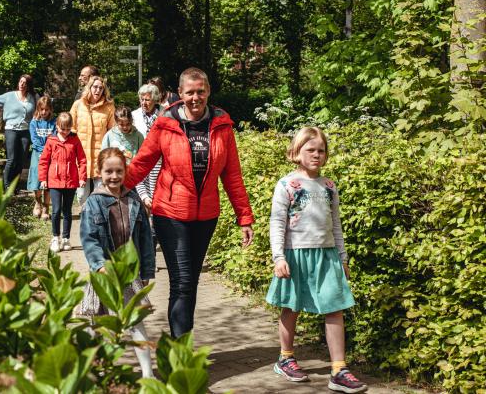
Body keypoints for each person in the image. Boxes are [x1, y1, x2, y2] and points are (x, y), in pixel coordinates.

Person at [124, 67, 254, 337]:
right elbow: (142, 163)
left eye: (201, 91)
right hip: (170, 213)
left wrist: (244, 217)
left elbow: (232, 176)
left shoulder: (222, 126)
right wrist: (113, 188)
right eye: (190, 92)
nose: (196, 97)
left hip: (206, 216)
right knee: (181, 282)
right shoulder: (165, 124)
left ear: (208, 91)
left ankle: (181, 344)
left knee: (191, 282)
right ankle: (180, 349)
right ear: (179, 93)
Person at [266, 127, 366, 393]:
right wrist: (279, 257)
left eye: (321, 150)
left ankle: (338, 369)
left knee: (335, 307)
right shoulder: (287, 185)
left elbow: (336, 225)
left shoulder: (329, 186)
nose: (317, 155)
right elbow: (277, 223)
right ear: (296, 153)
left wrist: (342, 257)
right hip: (295, 255)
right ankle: (286, 358)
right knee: (291, 306)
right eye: (310, 150)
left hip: (327, 255)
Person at [79, 147, 156, 379]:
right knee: (99, 324)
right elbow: (88, 238)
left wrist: (146, 271)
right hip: (104, 272)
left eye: (119, 171)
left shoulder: (134, 200)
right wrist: (100, 265)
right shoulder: (93, 203)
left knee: (136, 322)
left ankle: (148, 374)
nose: (114, 176)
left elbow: (145, 240)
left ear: (125, 171)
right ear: (99, 172)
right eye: (108, 171)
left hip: (129, 274)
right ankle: (93, 370)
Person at [38, 112, 87, 253]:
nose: (65, 132)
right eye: (62, 129)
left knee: (67, 211)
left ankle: (66, 238)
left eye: (68, 129)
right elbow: (44, 161)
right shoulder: (51, 140)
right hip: (54, 181)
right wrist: (43, 179)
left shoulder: (75, 140)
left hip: (71, 181)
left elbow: (82, 160)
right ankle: (55, 237)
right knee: (56, 210)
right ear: (57, 126)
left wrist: (82, 177)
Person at [70, 75, 115, 203]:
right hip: (81, 157)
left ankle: (97, 221)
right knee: (81, 196)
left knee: (100, 195)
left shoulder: (109, 107)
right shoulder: (78, 105)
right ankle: (85, 216)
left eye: (101, 88)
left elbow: (113, 132)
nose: (97, 90)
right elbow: (71, 129)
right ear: (89, 88)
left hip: (100, 157)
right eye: (95, 87)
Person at [131, 83, 162, 211]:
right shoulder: (134, 115)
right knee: (142, 199)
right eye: (141, 99)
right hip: (141, 158)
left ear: (154, 100)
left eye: (147, 100)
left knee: (158, 196)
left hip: (160, 160)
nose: (143, 102)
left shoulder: (164, 114)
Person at [28, 96, 56, 219]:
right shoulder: (34, 123)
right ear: (38, 109)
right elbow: (34, 140)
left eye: (46, 109)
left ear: (50, 109)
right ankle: (38, 203)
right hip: (37, 154)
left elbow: (54, 138)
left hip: (51, 154)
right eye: (41, 109)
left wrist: (47, 151)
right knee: (37, 179)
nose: (44, 112)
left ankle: (46, 207)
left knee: (48, 181)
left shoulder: (54, 122)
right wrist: (43, 151)